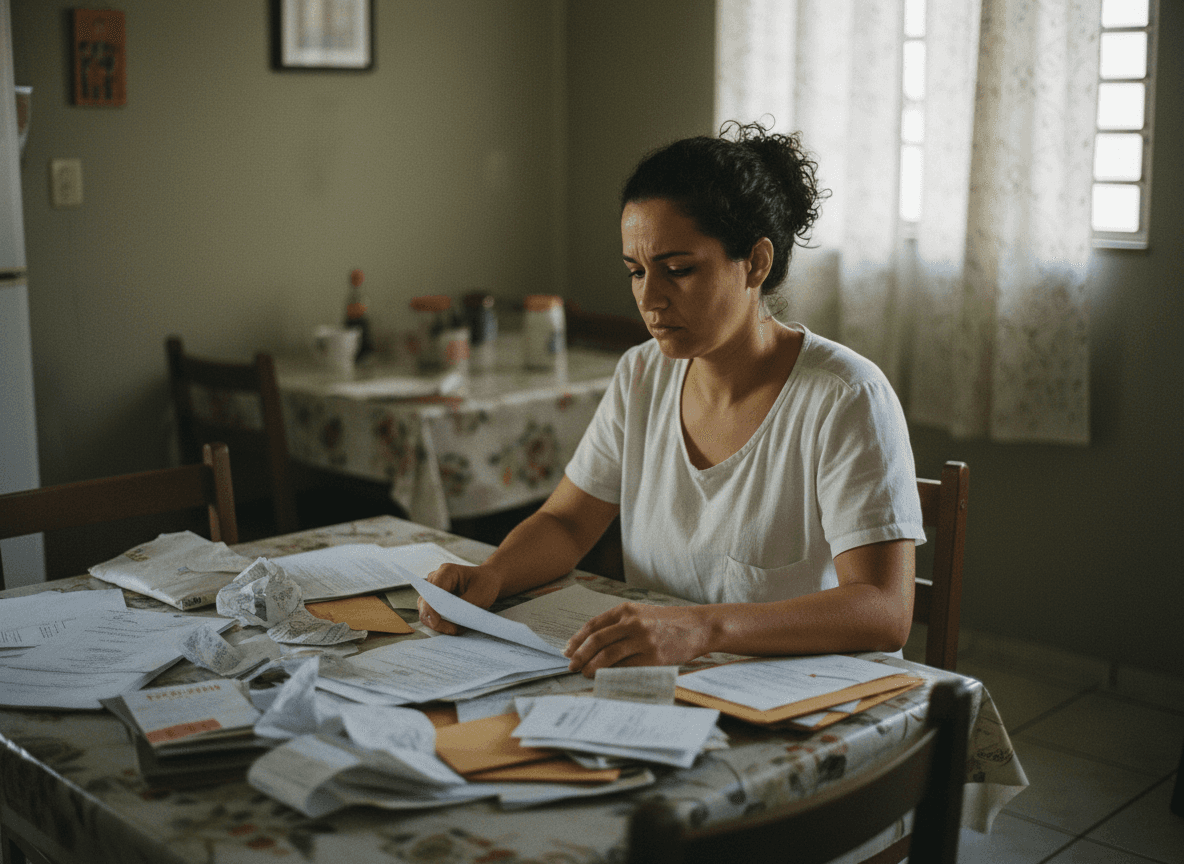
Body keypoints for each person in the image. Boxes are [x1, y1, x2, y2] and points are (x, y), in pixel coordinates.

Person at [419, 121, 926, 676]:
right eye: (636, 272)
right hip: (669, 682)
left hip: (799, 689)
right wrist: (493, 572)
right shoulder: (642, 374)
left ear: (755, 263)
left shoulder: (844, 396)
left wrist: (704, 628)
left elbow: (883, 609)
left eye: (678, 270)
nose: (649, 299)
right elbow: (567, 523)